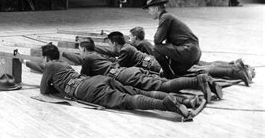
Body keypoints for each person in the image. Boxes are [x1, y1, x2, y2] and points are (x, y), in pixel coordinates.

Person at [39, 43, 190, 119]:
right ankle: (183, 101)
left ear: (46, 58)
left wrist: (54, 85)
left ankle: (165, 105)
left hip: (86, 89)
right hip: (98, 80)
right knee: (137, 91)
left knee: (127, 100)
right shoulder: (65, 64)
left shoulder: (50, 66)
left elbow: (44, 90)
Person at [79, 38, 222, 103]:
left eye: (80, 50)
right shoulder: (98, 56)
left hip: (125, 76)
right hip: (131, 71)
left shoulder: (87, 59)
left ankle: (198, 80)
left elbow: (83, 78)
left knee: (163, 86)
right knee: (165, 81)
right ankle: (204, 82)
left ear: (84, 50)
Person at [144, 0, 201, 78]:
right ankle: (170, 72)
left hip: (188, 51)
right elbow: (169, 44)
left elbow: (157, 40)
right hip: (194, 53)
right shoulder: (168, 17)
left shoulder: (165, 17)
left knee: (156, 48)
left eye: (149, 9)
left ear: (156, 8)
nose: (149, 12)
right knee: (175, 70)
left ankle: (169, 75)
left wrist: (165, 68)